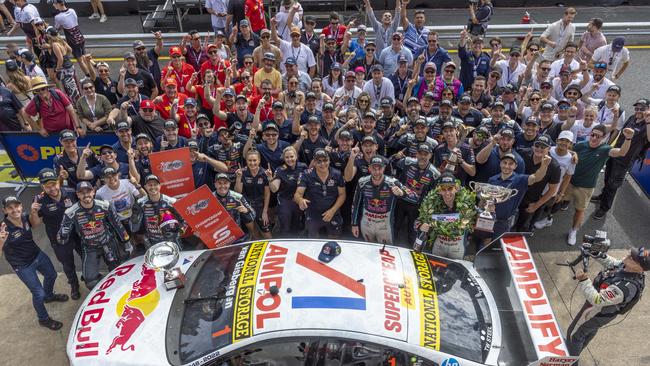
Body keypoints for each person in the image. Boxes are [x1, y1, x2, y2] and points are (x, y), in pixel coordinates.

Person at [567, 245, 649, 357]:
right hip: (601, 312)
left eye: (632, 258)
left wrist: (584, 280)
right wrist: (597, 254)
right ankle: (577, 352)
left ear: (640, 268)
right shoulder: (626, 266)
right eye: (631, 254)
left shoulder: (626, 288)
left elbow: (597, 299)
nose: (629, 255)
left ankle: (569, 361)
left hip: (597, 312)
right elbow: (613, 263)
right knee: (588, 331)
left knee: (574, 336)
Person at [1, 196, 68, 330]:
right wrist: (1, 241)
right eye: (10, 207)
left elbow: (36, 224)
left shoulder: (25, 217)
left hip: (37, 255)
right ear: (5, 210)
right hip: (22, 265)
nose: (15, 210)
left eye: (16, 206)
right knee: (38, 293)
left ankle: (49, 296)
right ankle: (43, 319)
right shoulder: (3, 228)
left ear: (21, 206)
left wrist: (33, 213)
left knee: (52, 275)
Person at [564, 125, 634, 245]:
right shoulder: (581, 145)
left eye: (598, 136)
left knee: (579, 210)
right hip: (569, 182)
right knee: (556, 201)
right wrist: (572, 153)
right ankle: (548, 218)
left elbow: (621, 152)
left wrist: (628, 139)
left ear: (604, 137)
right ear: (590, 134)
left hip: (586, 187)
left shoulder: (605, 149)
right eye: (593, 134)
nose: (594, 138)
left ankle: (573, 231)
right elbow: (568, 152)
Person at [57, 181, 130, 289]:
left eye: (88, 191)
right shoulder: (71, 212)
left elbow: (117, 224)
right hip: (90, 248)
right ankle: (105, 289)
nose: (86, 195)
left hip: (108, 243)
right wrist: (63, 234)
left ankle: (118, 288)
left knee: (119, 270)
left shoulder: (104, 205)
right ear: (77, 194)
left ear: (93, 192)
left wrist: (126, 241)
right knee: (90, 281)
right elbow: (61, 239)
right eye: (82, 193)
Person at [30, 168, 82, 299]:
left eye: (53, 184)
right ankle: (74, 285)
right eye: (47, 186)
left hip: (78, 234)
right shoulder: (39, 201)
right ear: (42, 187)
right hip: (59, 239)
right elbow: (35, 225)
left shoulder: (71, 192)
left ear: (58, 182)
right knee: (68, 264)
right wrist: (34, 212)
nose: (52, 188)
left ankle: (88, 276)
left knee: (86, 256)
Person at [592, 102, 650, 220]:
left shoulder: (647, 125)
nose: (638, 111)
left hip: (625, 160)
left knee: (613, 184)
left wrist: (648, 121)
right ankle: (602, 196)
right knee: (607, 178)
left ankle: (604, 208)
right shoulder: (632, 118)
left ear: (648, 109)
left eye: (642, 109)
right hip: (615, 153)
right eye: (637, 108)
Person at [485, 152, 551, 239]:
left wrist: (544, 165)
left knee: (498, 244)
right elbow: (485, 198)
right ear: (500, 164)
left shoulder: (520, 180)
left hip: (504, 223)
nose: (507, 166)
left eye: (511, 164)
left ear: (515, 166)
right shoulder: (492, 180)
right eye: (504, 163)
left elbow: (536, 177)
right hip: (489, 218)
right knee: (485, 240)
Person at [294, 149, 346, 239]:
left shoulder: (337, 174)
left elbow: (342, 194)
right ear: (314, 162)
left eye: (325, 160)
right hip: (313, 214)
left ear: (329, 160)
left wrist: (332, 211)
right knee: (313, 241)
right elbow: (297, 194)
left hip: (333, 213)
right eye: (319, 161)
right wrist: (300, 200)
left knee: (334, 240)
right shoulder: (306, 174)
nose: (322, 164)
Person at [131, 175, 187, 249]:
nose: (153, 187)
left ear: (160, 186)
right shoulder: (140, 203)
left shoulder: (170, 201)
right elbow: (134, 226)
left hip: (171, 241)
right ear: (145, 187)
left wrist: (178, 233)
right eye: (150, 185)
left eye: (155, 185)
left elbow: (185, 220)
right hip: (152, 242)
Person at [268, 146, 307, 237]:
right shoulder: (280, 170)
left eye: (292, 156)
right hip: (285, 201)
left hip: (299, 201)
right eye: (287, 157)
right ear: (284, 158)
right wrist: (270, 178)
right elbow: (274, 189)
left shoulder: (303, 166)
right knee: (285, 227)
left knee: (297, 226)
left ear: (296, 156)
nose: (289, 159)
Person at [52, 0, 90, 77]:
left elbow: (56, 29)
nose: (53, 5)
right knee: (84, 56)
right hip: (79, 36)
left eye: (54, 3)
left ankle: (88, 76)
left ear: (58, 4)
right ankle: (93, 67)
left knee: (80, 61)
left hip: (72, 40)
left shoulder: (58, 17)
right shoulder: (72, 10)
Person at [213, 173, 255, 240]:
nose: (222, 186)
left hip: (236, 231)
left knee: (247, 215)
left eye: (225, 183)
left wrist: (246, 210)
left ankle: (252, 235)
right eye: (219, 183)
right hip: (217, 232)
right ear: (215, 184)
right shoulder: (209, 199)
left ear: (229, 184)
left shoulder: (237, 197)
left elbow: (253, 213)